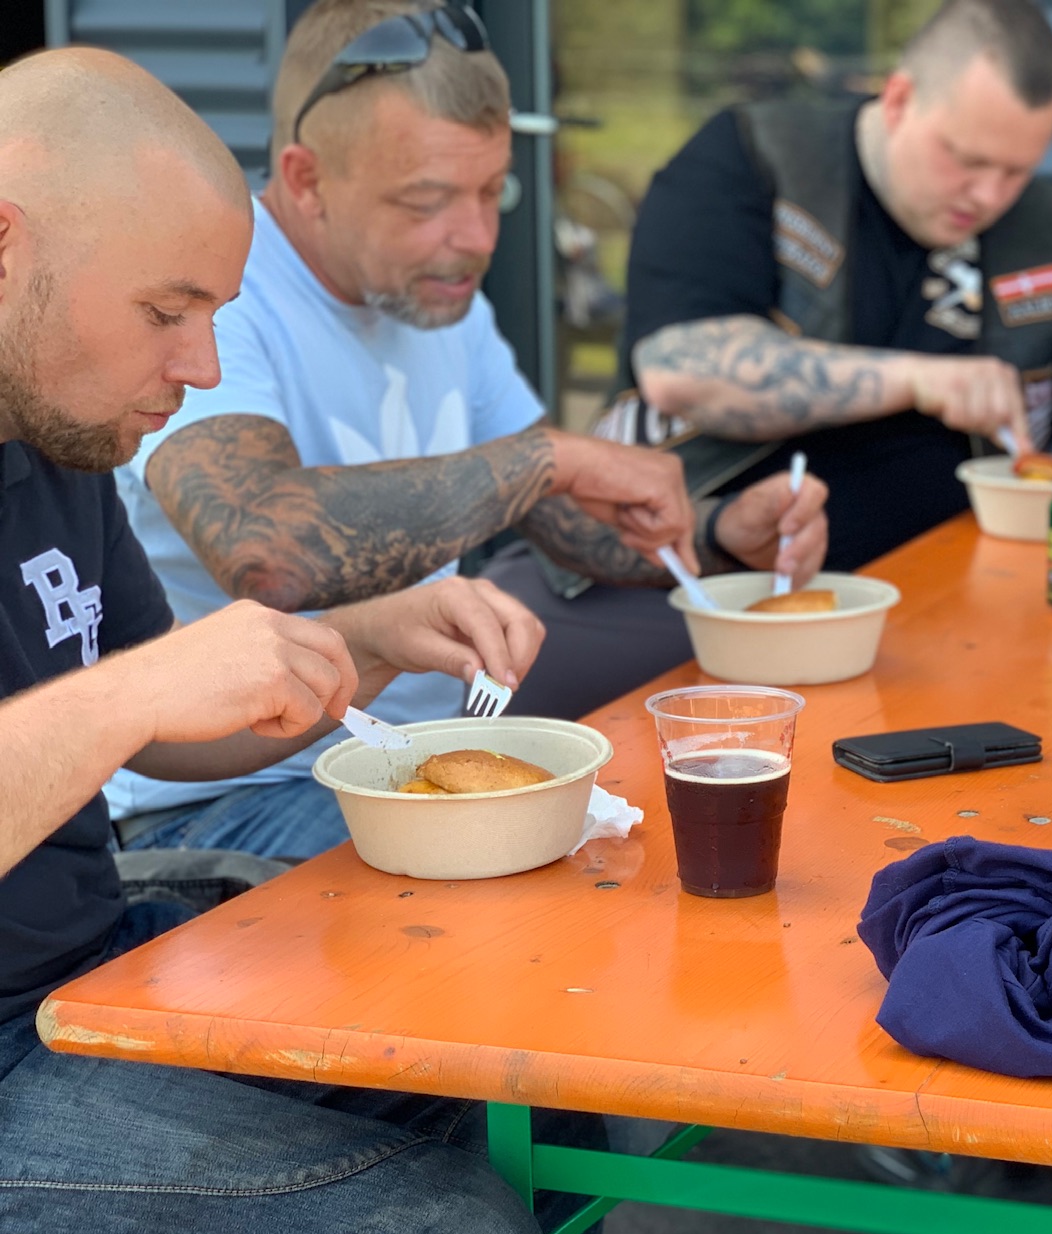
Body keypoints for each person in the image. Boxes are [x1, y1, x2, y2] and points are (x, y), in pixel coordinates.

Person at [0, 47, 604, 1234]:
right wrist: (135, 693)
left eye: (215, 310)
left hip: (78, 978)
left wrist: (352, 644)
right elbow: (125, 704)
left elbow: (150, 726)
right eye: (169, 311)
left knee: (522, 1068)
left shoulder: (52, 422)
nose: (203, 364)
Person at [107, 0, 830, 858]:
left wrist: (715, 533)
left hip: (416, 763)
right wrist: (545, 458)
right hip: (225, 801)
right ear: (306, 180)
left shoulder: (435, 295)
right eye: (428, 201)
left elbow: (552, 512)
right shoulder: (219, 292)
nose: (477, 237)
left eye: (492, 190)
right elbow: (267, 549)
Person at [612, 0, 1052, 575]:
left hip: (962, 580)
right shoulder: (757, 155)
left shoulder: (1051, 227)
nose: (988, 196)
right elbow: (679, 369)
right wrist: (918, 380)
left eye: (1017, 171)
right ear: (898, 100)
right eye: (967, 159)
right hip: (705, 574)